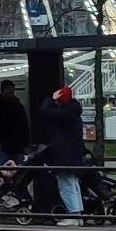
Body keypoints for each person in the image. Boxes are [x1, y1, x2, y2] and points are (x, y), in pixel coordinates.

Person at [38, 85, 88, 220]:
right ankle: (78, 216)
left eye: (57, 100)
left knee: (66, 186)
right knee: (73, 184)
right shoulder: (73, 114)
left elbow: (45, 111)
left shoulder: (65, 115)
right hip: (73, 156)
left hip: (65, 157)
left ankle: (73, 216)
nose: (55, 103)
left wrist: (50, 99)